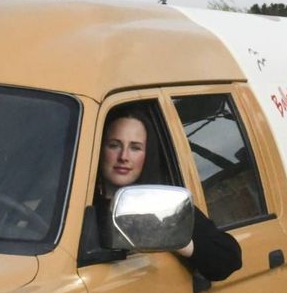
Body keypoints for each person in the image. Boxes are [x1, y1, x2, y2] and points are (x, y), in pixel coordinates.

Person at [97, 108, 242, 281]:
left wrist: (173, 239)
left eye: (135, 148)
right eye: (114, 145)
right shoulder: (69, 199)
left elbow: (228, 258)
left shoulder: (160, 203)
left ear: (147, 154)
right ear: (99, 148)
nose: (124, 156)